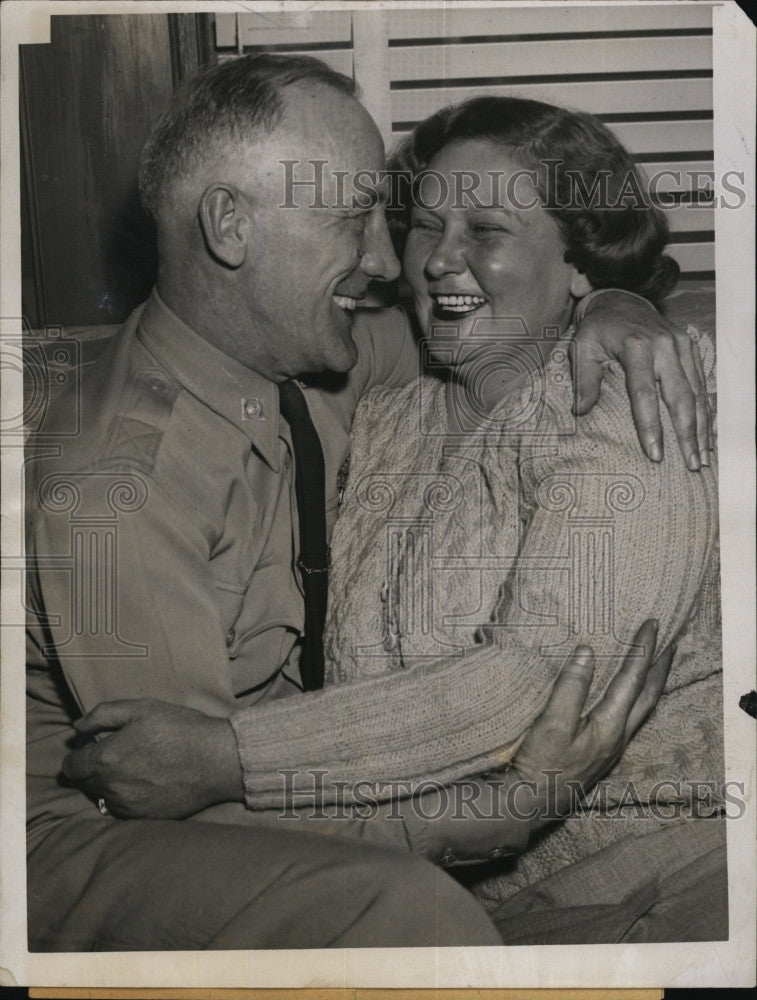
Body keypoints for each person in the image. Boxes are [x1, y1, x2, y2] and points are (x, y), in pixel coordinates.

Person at [28, 55, 709, 950]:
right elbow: (172, 800)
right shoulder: (126, 477)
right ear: (231, 227)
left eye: (391, 223)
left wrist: (618, 302)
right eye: (376, 220)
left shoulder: (341, 348)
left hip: (674, 871)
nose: (401, 263)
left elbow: (543, 673)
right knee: (414, 917)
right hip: (187, 854)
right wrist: (477, 818)